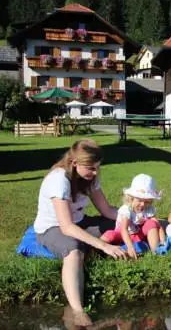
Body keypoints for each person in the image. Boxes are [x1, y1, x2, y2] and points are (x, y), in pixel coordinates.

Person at [33, 139, 128, 327]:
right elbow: (66, 227)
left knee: (116, 224)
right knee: (74, 250)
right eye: (91, 168)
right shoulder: (59, 180)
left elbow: (107, 211)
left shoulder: (90, 178)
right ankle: (77, 311)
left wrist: (133, 217)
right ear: (75, 163)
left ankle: (93, 246)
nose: (95, 173)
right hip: (53, 228)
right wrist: (103, 245)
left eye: (97, 168)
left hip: (79, 222)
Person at [101, 174, 165, 259]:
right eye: (140, 200)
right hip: (121, 234)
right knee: (110, 234)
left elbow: (158, 225)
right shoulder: (126, 210)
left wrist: (163, 241)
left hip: (138, 234)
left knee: (152, 223)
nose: (143, 204)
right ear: (131, 198)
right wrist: (131, 247)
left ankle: (156, 250)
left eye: (147, 202)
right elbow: (124, 229)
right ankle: (97, 249)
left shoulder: (148, 209)